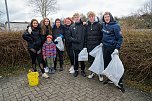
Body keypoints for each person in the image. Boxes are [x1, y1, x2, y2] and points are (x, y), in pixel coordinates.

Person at [102, 12, 125, 92]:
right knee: (107, 64)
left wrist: (117, 48)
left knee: (116, 66)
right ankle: (110, 79)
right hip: (105, 48)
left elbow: (120, 38)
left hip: (113, 49)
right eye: (105, 17)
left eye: (108, 17)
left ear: (110, 17)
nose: (106, 18)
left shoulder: (116, 26)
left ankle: (120, 82)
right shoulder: (104, 25)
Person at [85, 11, 103, 81]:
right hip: (89, 46)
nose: (91, 18)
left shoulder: (99, 24)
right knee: (91, 60)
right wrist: (85, 45)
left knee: (98, 60)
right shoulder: (87, 25)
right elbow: (86, 36)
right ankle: (92, 72)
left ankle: (99, 73)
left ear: (94, 16)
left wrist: (101, 42)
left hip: (97, 46)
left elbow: (102, 34)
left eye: (92, 16)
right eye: (89, 17)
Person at [69, 13, 86, 77]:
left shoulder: (83, 26)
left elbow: (85, 36)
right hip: (75, 46)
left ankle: (82, 70)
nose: (76, 18)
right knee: (76, 59)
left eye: (77, 17)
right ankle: (76, 70)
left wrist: (84, 45)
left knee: (82, 59)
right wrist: (75, 40)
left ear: (79, 18)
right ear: (73, 18)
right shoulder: (71, 26)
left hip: (82, 46)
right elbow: (69, 37)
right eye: (75, 17)